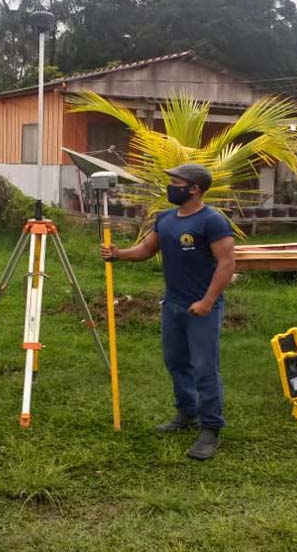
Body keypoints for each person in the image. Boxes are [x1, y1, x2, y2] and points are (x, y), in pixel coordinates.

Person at [101, 164, 235, 460]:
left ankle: (211, 427)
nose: (170, 186)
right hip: (172, 304)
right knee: (175, 361)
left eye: (176, 182)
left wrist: (208, 302)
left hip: (202, 307)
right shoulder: (166, 219)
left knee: (204, 367)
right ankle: (187, 413)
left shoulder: (212, 221)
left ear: (194, 189)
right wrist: (119, 253)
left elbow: (227, 264)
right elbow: (147, 250)